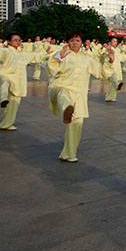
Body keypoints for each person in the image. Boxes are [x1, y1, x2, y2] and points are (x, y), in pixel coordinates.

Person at [47, 32, 114, 162]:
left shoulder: (87, 59)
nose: (74, 43)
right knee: (64, 96)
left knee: (77, 123)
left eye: (77, 40)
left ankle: (69, 154)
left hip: (79, 94)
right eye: (72, 40)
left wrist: (110, 61)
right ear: (68, 42)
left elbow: (101, 72)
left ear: (81, 43)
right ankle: (66, 110)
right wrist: (59, 57)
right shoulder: (62, 53)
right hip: (61, 87)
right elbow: (51, 68)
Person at [0, 34, 48, 130]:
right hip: (5, 76)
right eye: (15, 40)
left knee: (13, 105)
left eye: (19, 40)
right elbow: (0, 52)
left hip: (17, 82)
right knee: (5, 82)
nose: (18, 42)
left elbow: (35, 56)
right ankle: (3, 98)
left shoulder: (22, 54)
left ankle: (6, 124)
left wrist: (48, 54)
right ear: (9, 41)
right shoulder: (7, 51)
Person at [103, 38, 124, 102]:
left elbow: (121, 58)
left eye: (116, 41)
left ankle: (110, 97)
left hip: (117, 68)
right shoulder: (109, 49)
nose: (115, 43)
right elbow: (104, 55)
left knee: (111, 84)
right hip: (110, 69)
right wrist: (107, 51)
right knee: (114, 82)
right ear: (111, 42)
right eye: (114, 41)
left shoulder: (117, 50)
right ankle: (117, 86)